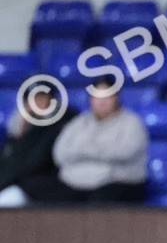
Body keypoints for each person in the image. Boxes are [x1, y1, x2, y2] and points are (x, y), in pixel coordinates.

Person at [23, 75, 149, 204]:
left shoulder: (131, 122)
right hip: (76, 182)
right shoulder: (78, 122)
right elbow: (60, 154)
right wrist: (100, 150)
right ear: (90, 99)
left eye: (106, 96)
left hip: (116, 182)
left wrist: (83, 150)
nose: (101, 101)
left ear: (116, 97)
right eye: (97, 96)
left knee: (102, 201)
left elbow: (124, 152)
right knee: (39, 189)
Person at [0, 82, 76, 207]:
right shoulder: (21, 126)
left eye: (41, 97)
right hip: (19, 183)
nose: (37, 103)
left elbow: (36, 162)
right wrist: (21, 132)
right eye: (32, 99)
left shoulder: (63, 121)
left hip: (44, 186)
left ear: (51, 98)